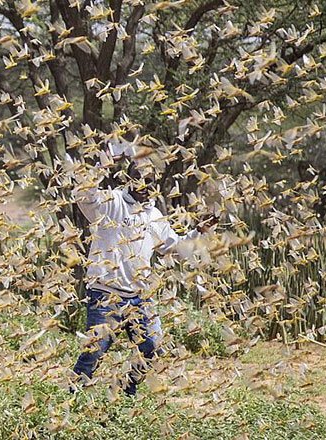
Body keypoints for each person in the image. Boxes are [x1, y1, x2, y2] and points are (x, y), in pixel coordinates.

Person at [69, 150, 216, 396]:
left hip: (140, 296)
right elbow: (84, 195)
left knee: (153, 346)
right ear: (129, 179)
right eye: (139, 179)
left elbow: (174, 248)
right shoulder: (112, 203)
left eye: (149, 182)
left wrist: (198, 231)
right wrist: (100, 165)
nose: (144, 186)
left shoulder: (154, 215)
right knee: (95, 351)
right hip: (106, 294)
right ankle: (72, 400)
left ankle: (127, 391)